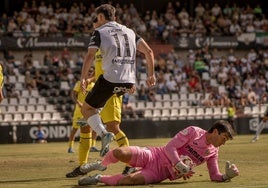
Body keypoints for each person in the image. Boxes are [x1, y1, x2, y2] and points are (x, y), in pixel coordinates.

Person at [79, 4, 155, 158]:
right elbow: (149, 51)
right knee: (96, 112)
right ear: (114, 16)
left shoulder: (99, 32)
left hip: (110, 80)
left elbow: (90, 56)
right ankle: (94, 145)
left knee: (86, 110)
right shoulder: (130, 31)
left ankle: (103, 134)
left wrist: (83, 78)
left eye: (97, 18)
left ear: (101, 17)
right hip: (128, 82)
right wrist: (150, 75)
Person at [78, 120, 239, 186]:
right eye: (224, 138)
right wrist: (180, 164)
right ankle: (101, 165)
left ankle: (98, 178)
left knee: (129, 181)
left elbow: (214, 175)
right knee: (120, 152)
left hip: (160, 172)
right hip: (155, 154)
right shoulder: (193, 131)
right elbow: (170, 147)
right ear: (216, 131)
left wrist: (226, 176)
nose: (224, 142)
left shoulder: (213, 152)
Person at [66, 67, 99, 177]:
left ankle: (93, 145)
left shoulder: (94, 85)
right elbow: (73, 94)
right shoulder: (80, 82)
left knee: (94, 128)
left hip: (90, 110)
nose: (89, 72)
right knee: (75, 129)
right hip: (79, 110)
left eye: (91, 71)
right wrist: (78, 102)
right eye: (88, 71)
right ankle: (70, 146)